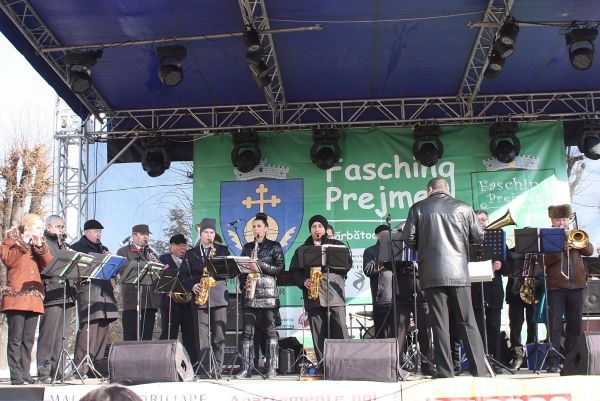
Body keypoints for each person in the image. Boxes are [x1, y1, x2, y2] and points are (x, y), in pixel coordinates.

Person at [401, 178, 488, 378]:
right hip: (459, 271)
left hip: (432, 272)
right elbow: (478, 236)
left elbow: (408, 239)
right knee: (467, 321)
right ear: (447, 189)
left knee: (440, 322)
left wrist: (424, 246)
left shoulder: (418, 208)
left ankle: (445, 371)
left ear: (430, 189)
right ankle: (479, 369)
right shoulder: (464, 207)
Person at [363, 224, 435, 375]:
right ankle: (396, 365)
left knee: (424, 328)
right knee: (400, 329)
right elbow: (383, 266)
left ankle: (427, 363)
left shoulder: (421, 244)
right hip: (399, 289)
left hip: (420, 288)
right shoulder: (390, 248)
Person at [290, 214, 350, 364]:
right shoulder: (302, 249)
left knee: (340, 330)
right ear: (310, 229)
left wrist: (329, 262)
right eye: (313, 226)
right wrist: (303, 281)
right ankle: (323, 366)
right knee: (318, 334)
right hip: (313, 297)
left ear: (325, 228)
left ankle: (344, 364)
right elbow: (294, 272)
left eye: (320, 226)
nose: (317, 229)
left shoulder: (337, 245)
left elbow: (347, 265)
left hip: (334, 295)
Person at [1, 213, 53, 385]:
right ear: (28, 227)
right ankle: (16, 374)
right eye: (38, 227)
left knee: (29, 339)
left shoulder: (39, 243)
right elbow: (8, 260)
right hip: (16, 296)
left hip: (33, 297)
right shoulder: (11, 240)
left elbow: (49, 265)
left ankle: (25, 372)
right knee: (15, 338)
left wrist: (40, 247)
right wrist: (23, 242)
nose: (41, 231)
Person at [544, 204, 594, 373]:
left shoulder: (576, 233)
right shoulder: (547, 236)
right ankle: (553, 360)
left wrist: (576, 242)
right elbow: (544, 261)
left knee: (575, 325)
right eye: (558, 220)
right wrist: (561, 247)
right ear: (552, 220)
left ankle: (572, 361)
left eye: (564, 219)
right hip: (556, 286)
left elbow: (589, 251)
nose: (562, 223)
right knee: (555, 324)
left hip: (577, 285)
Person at [235, 213, 284, 379]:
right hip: (251, 294)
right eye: (254, 226)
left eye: (259, 226)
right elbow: (241, 270)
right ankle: (246, 368)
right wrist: (244, 283)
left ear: (266, 228)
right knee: (247, 332)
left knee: (270, 330)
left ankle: (272, 367)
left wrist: (259, 264)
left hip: (268, 294)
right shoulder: (247, 247)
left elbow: (279, 269)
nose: (256, 229)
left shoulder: (275, 246)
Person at [181, 218, 230, 377]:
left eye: (212, 232)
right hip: (199, 296)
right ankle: (205, 369)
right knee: (201, 335)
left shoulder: (223, 251)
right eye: (206, 232)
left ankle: (217, 369)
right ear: (200, 234)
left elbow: (229, 272)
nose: (209, 235)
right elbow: (182, 274)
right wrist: (192, 285)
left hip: (218, 296)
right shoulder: (191, 253)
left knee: (219, 334)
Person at [70, 219, 118, 378]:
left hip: (105, 294)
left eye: (100, 232)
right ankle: (80, 367)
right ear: (86, 232)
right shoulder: (77, 248)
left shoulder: (103, 248)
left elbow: (114, 273)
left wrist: (112, 262)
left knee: (103, 329)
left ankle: (96, 367)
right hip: (89, 292)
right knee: (88, 329)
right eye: (96, 231)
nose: (99, 234)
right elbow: (73, 272)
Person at [37, 215, 76, 383]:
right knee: (48, 334)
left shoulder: (63, 244)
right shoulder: (44, 242)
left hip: (66, 293)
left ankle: (58, 370)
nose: (61, 229)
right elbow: (46, 265)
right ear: (48, 227)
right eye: (58, 226)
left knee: (62, 335)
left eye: (63, 227)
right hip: (51, 292)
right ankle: (44, 371)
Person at [471, 210, 511, 374]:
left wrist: (501, 266)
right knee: (478, 328)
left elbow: (510, 268)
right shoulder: (468, 241)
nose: (481, 223)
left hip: (494, 292)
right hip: (475, 291)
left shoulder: (498, 241)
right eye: (477, 220)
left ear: (488, 221)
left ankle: (496, 361)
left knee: (494, 328)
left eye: (483, 220)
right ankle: (479, 362)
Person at [158, 234, 197, 367]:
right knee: (169, 334)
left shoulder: (188, 259)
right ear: (172, 246)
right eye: (180, 246)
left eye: (185, 246)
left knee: (190, 336)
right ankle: (165, 364)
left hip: (187, 305)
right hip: (170, 305)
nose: (183, 248)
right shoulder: (164, 259)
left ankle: (193, 365)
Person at [117, 224, 161, 341]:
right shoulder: (123, 251)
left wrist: (156, 264)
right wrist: (144, 265)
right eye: (143, 234)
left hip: (149, 303)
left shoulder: (151, 252)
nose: (146, 237)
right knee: (131, 339)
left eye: (148, 235)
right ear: (134, 235)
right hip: (132, 302)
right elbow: (124, 271)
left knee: (146, 338)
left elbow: (160, 274)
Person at [505, 250, 539, 370]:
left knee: (533, 324)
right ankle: (517, 356)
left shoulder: (538, 252)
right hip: (515, 291)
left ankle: (531, 355)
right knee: (515, 325)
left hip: (533, 290)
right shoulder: (513, 252)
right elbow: (507, 269)